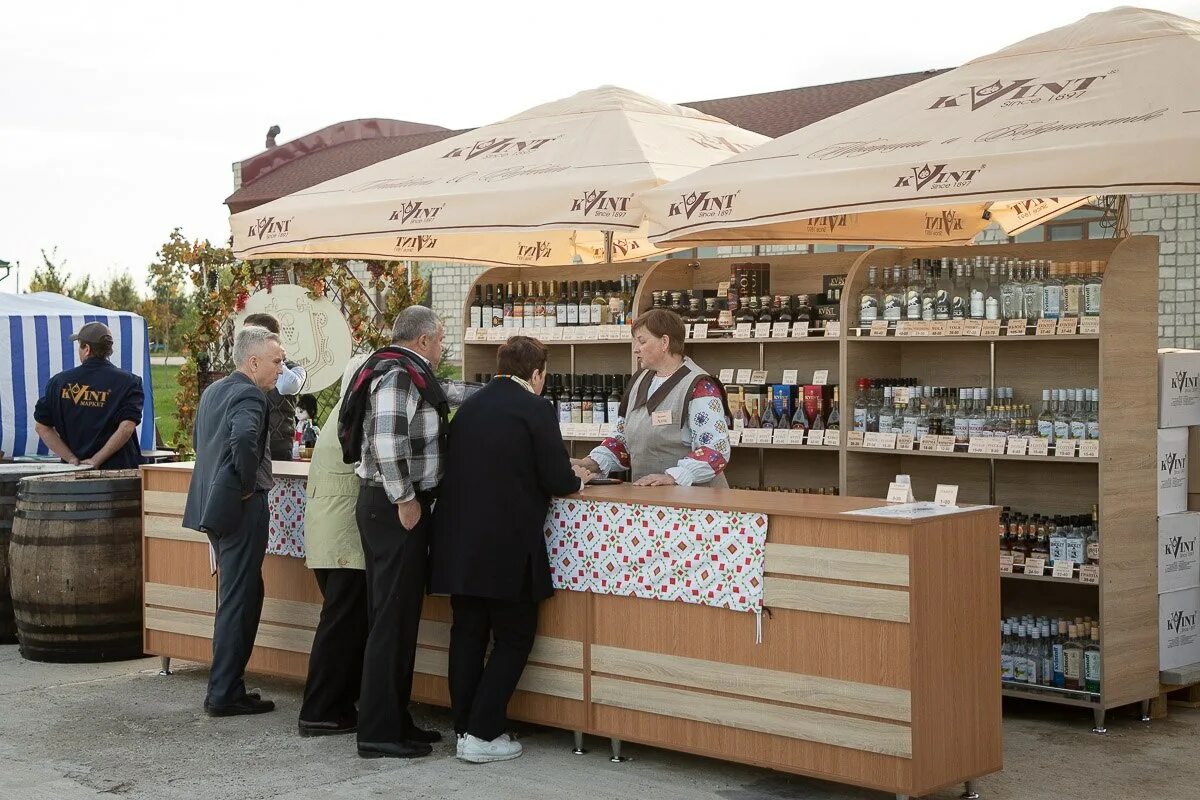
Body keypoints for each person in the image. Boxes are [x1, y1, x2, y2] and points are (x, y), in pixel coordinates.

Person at [431, 337, 592, 764]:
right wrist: (579, 479)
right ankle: (483, 734)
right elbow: (557, 478)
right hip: (507, 544)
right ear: (537, 373)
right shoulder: (535, 408)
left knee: (467, 634)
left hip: (460, 542)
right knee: (514, 638)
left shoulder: (469, 406)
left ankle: (465, 727)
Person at [351, 306, 449, 759]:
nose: (444, 348)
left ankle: (396, 718)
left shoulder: (402, 371)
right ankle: (377, 731)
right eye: (442, 339)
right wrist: (405, 499)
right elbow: (388, 443)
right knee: (391, 620)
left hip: (390, 506)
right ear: (425, 339)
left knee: (399, 617)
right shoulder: (401, 375)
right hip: (393, 508)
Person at [181, 325, 284, 716]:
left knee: (241, 594)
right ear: (253, 361)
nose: (280, 368)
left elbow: (199, 442)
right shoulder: (250, 395)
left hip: (213, 506)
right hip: (241, 507)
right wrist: (243, 485)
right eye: (276, 361)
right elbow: (243, 440)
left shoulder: (213, 391)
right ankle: (223, 692)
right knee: (239, 600)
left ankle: (230, 685)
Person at [573, 308, 731, 487]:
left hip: (695, 504)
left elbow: (716, 449)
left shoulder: (699, 385)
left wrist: (674, 476)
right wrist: (589, 463)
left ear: (664, 342)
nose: (635, 349)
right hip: (650, 499)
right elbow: (622, 440)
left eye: (642, 341)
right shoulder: (638, 381)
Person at [297, 356, 368, 737]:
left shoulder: (340, 412)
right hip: (345, 540)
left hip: (330, 535)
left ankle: (335, 704)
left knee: (342, 623)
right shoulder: (354, 415)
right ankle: (320, 710)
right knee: (341, 625)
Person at [33, 322, 144, 469]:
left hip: (72, 475)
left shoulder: (59, 382)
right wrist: (96, 460)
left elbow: (42, 427)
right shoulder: (129, 382)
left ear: (87, 349)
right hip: (119, 473)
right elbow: (126, 427)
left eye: (79, 345)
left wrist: (71, 459)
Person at [242, 313, 307, 460]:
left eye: (250, 336)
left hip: (279, 450)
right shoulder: (245, 369)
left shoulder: (294, 369)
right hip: (248, 446)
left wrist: (276, 358)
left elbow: (287, 386)